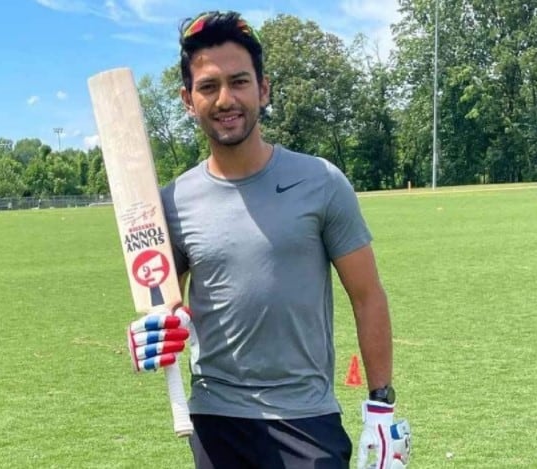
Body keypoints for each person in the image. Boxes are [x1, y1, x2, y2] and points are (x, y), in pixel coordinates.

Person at [125, 10, 409, 469]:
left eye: (239, 81)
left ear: (264, 88)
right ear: (186, 99)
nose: (225, 99)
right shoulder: (171, 203)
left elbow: (368, 295)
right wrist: (149, 333)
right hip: (217, 419)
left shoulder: (320, 181)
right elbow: (166, 303)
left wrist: (381, 404)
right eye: (208, 86)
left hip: (306, 416)